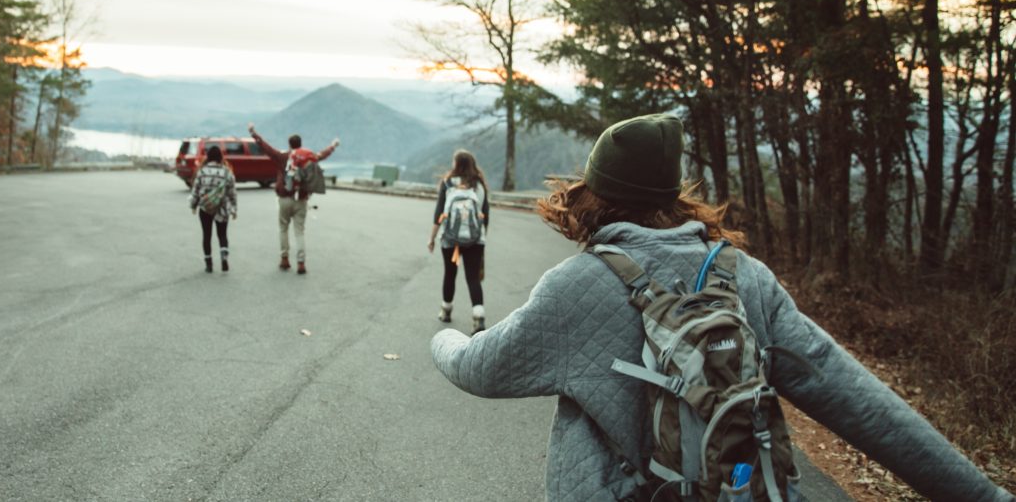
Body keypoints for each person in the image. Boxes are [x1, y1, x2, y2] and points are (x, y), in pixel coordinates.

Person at [430, 113, 1012, 501]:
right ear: (673, 195)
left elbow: (478, 368)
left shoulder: (574, 287)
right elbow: (861, 401)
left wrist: (442, 340)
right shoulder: (746, 279)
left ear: (595, 194)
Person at [247, 123, 338, 275]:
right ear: (300, 145)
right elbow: (323, 154)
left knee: (283, 229)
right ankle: (301, 263)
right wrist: (333, 145)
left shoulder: (282, 157)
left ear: (290, 145)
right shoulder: (308, 158)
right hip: (301, 199)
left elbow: (265, 147)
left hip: (284, 198)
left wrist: (253, 133)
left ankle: (284, 259)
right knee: (299, 232)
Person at [427, 149, 490, 333]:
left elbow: (439, 214)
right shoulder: (479, 185)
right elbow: (485, 216)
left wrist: (431, 239)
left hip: (450, 238)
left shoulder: (448, 183)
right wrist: (482, 239)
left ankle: (446, 310)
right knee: (472, 277)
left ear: (456, 164)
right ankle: (478, 316)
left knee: (450, 273)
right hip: (475, 239)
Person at [188, 145, 236, 273]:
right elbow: (232, 192)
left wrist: (193, 205)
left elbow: (196, 190)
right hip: (222, 207)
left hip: (205, 208)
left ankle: (209, 264)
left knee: (207, 235)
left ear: (208, 156)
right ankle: (224, 257)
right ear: (220, 156)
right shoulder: (226, 171)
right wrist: (234, 209)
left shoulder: (202, 171)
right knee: (222, 234)